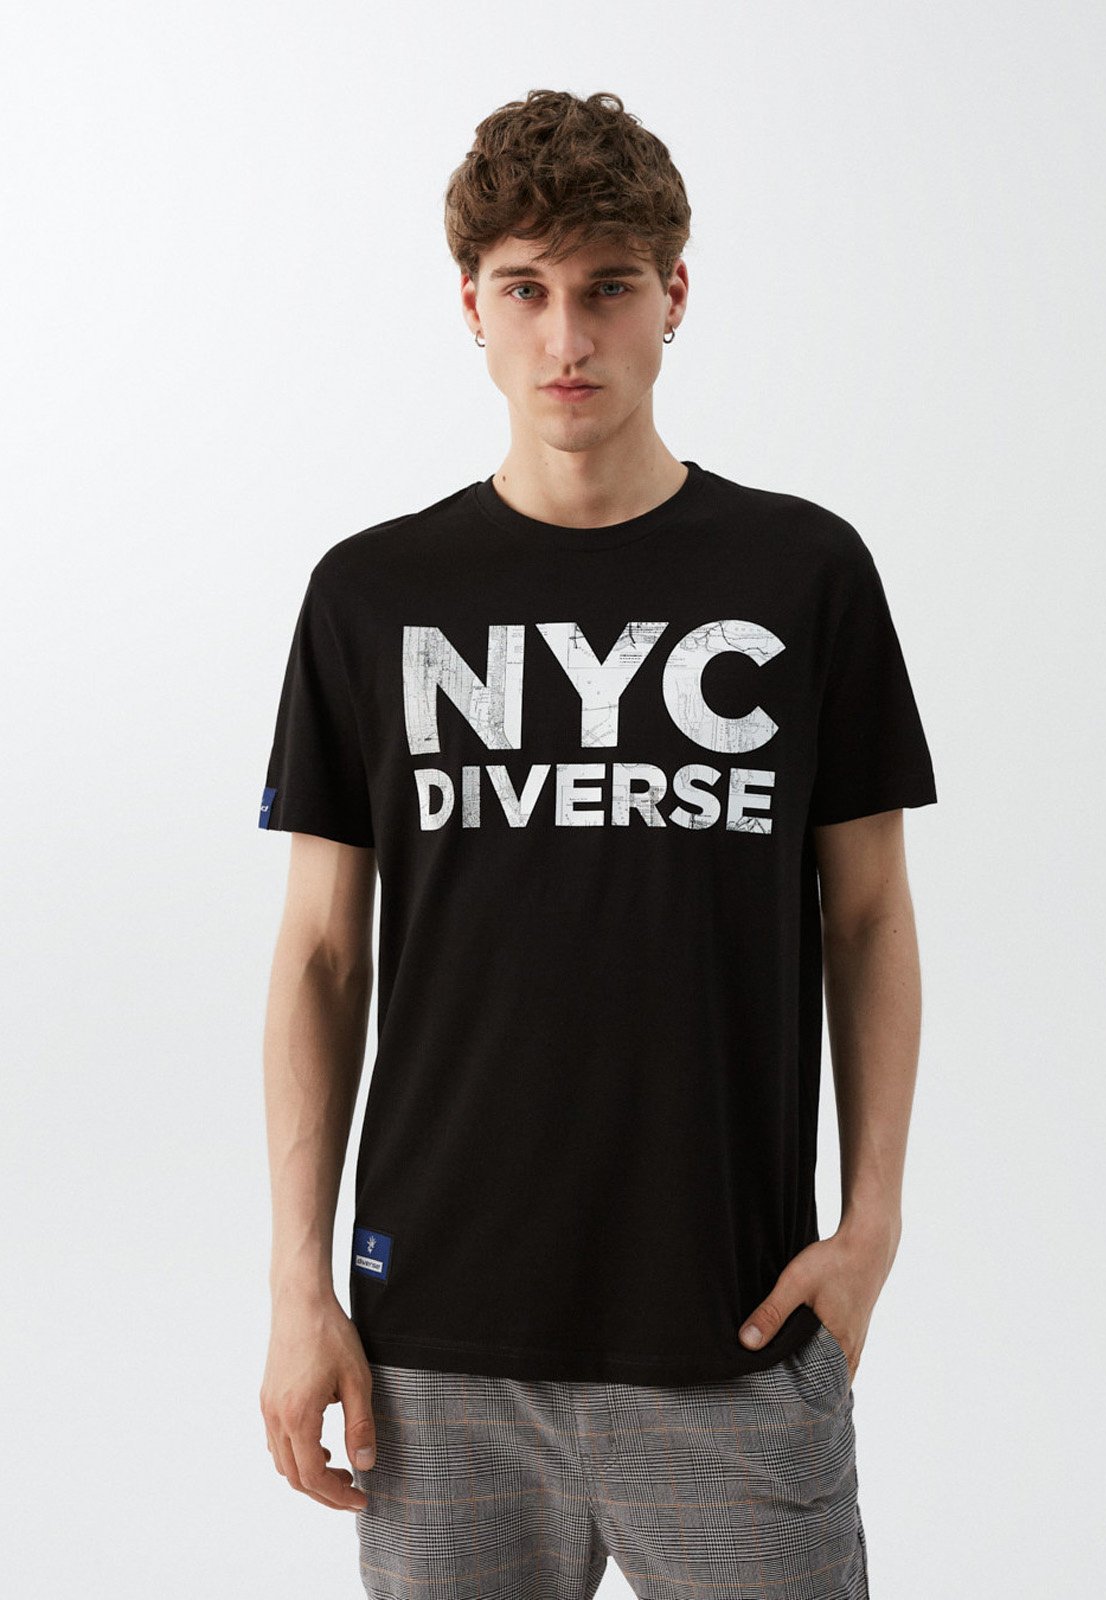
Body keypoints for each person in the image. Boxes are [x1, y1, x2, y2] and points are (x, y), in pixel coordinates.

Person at [257, 87, 936, 1600]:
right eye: (526, 290)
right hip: (433, 1360)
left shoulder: (803, 572)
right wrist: (300, 1283)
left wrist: (873, 1223)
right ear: (472, 307)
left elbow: (869, 916)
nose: (568, 337)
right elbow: (319, 954)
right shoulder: (373, 595)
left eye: (609, 288)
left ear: (674, 294)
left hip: (732, 1334)